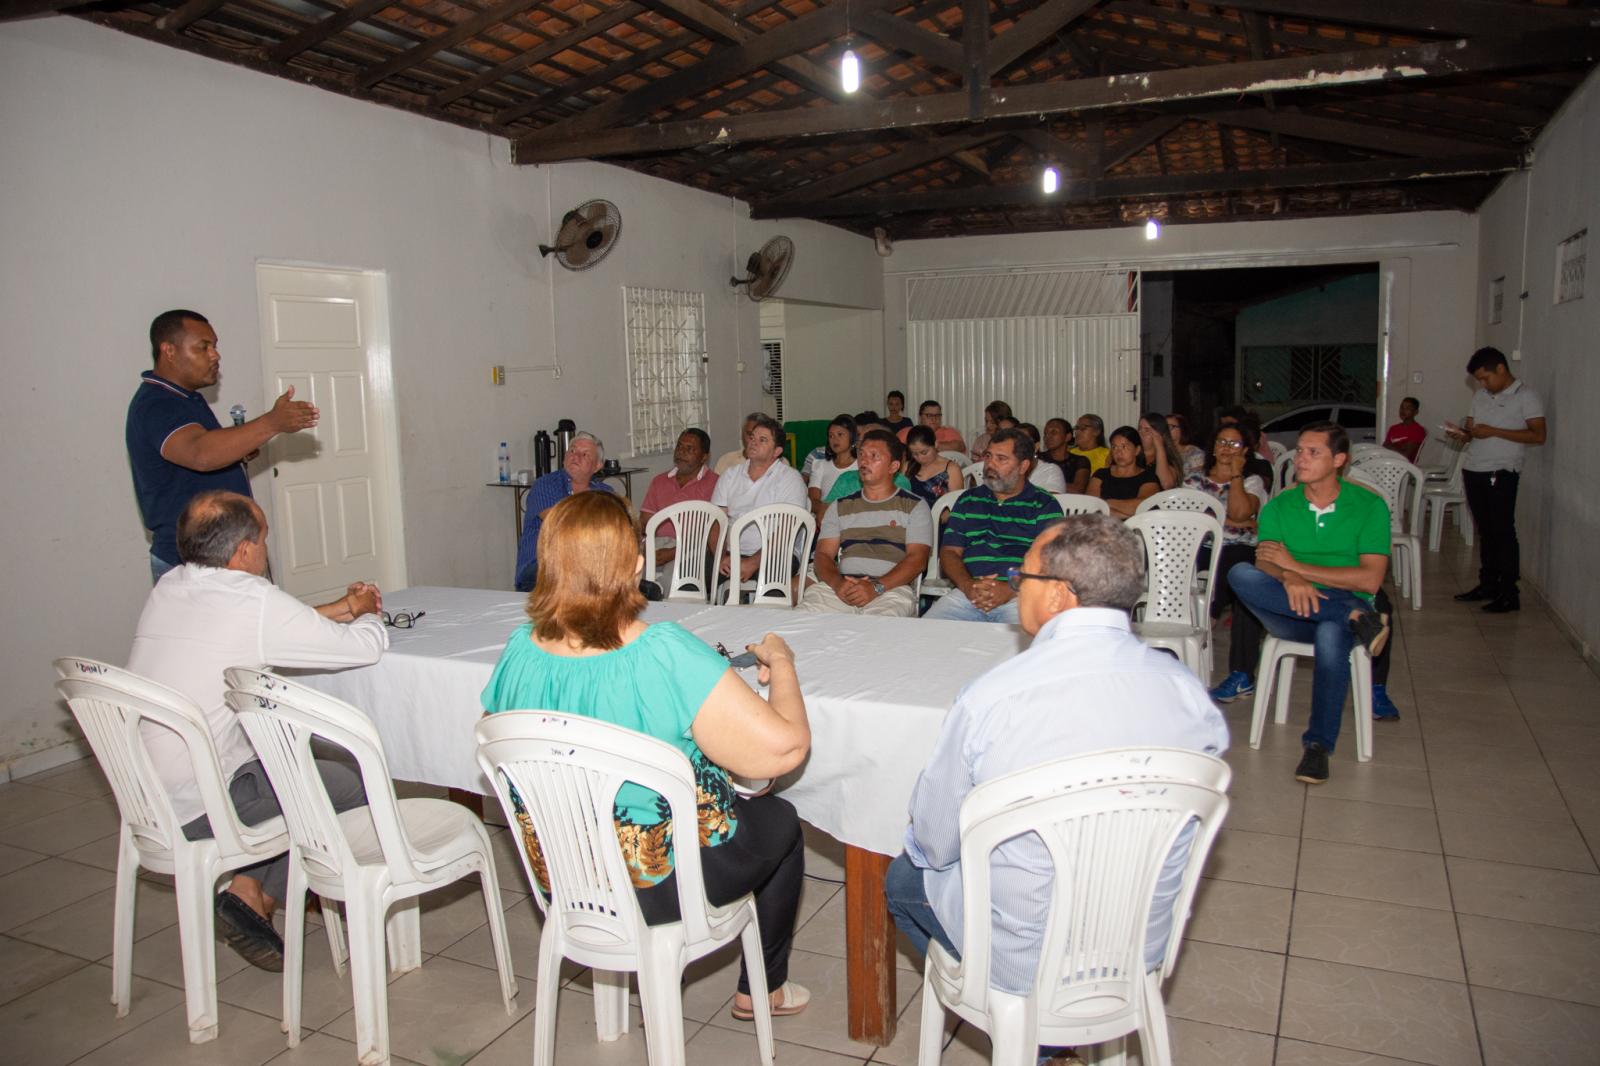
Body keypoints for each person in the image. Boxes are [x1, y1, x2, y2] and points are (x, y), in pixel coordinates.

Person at [481, 492, 812, 1021]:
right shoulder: (662, 652)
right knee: (781, 819)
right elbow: (785, 749)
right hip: (655, 882)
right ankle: (763, 989)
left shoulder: (519, 649)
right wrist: (783, 664)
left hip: (567, 874)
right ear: (636, 565)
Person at [887, 515, 1228, 1004]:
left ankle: (1024, 1027)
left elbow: (934, 844)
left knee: (903, 878)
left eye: (1020, 578)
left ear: (1056, 594)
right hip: (1136, 944)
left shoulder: (995, 697)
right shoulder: (1188, 693)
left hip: (1025, 955)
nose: (1016, 587)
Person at [127, 490, 385, 970]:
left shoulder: (171, 586)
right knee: (346, 784)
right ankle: (337, 902)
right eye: (264, 538)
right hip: (204, 802)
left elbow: (259, 627)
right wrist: (370, 612)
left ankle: (249, 891)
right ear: (244, 551)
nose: (268, 549)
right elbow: (362, 650)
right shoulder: (252, 599)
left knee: (283, 771)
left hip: (144, 795)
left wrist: (338, 608)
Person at [1228, 422, 1392, 784]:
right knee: (1240, 573)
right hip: (1290, 607)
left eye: (1312, 452)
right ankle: (1357, 619)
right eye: (1300, 450)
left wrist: (1296, 565)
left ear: (1339, 460)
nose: (1300, 458)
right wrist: (1291, 577)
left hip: (1346, 597)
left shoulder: (1369, 507)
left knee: (1332, 635)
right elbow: (1265, 563)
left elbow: (1370, 579)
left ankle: (1317, 747)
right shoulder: (1281, 506)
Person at [127, 310, 319, 582]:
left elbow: (204, 450)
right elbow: (200, 453)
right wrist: (271, 423)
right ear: (169, 351)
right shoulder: (158, 404)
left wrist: (238, 448)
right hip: (192, 565)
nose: (215, 355)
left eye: (215, 346)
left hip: (223, 557)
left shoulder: (186, 398)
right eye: (203, 347)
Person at [925, 428, 1063, 623]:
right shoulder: (968, 500)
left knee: (1024, 647)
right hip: (968, 594)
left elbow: (1052, 564)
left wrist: (1009, 589)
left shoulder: (1044, 504)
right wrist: (967, 585)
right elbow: (949, 553)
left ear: (1023, 466)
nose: (990, 464)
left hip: (1020, 596)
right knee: (925, 636)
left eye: (1001, 459)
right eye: (988, 456)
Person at [1448, 347, 1545, 613]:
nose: (1482, 384)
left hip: (1501, 471)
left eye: (1485, 377)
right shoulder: (1480, 396)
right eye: (1479, 380)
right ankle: (1487, 584)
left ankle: (1509, 592)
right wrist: (1463, 434)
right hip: (1474, 468)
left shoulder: (1526, 396)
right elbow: (1473, 430)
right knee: (1485, 531)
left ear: (1501, 369)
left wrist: (1494, 432)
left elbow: (1538, 436)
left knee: (1502, 530)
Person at [802, 430, 932, 617]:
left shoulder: (915, 506)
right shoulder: (840, 506)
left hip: (890, 590)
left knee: (879, 633)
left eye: (874, 456)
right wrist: (838, 584)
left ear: (893, 466)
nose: (864, 461)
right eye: (862, 454)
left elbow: (917, 560)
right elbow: (823, 555)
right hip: (843, 587)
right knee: (804, 621)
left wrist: (876, 587)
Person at [1185, 426, 1269, 704]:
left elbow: (1240, 511)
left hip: (1237, 548)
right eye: (1222, 441)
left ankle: (1242, 674)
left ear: (1245, 451)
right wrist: (1235, 522)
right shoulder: (1194, 481)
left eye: (1235, 444)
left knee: (1242, 575)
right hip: (1200, 545)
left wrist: (1236, 475)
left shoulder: (1252, 482)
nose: (1226, 448)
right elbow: (1191, 519)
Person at [711, 413, 808, 585]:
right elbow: (716, 522)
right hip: (731, 553)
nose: (753, 442)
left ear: (776, 451)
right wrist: (721, 556)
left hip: (776, 553)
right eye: (752, 437)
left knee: (770, 582)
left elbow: (786, 531)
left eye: (762, 440)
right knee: (689, 572)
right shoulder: (730, 475)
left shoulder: (790, 479)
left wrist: (753, 562)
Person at [514, 432, 612, 591]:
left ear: (597, 466)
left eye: (585, 454)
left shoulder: (606, 493)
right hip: (541, 567)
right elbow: (561, 524)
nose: (576, 456)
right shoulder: (545, 485)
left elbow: (620, 528)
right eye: (572, 451)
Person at [639, 428, 718, 568]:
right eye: (679, 446)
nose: (681, 452)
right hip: (656, 544)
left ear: (704, 457)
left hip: (693, 550)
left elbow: (714, 534)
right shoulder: (659, 481)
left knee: (674, 576)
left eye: (690, 449)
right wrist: (646, 548)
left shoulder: (716, 484)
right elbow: (645, 523)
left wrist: (674, 552)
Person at [1088, 426, 1160, 518]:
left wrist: (1105, 503)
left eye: (1124, 447)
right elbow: (1090, 506)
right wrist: (1128, 514)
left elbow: (1143, 506)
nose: (1118, 452)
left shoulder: (1148, 477)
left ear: (1137, 450)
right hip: (1102, 527)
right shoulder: (1101, 474)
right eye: (1114, 447)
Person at [807, 414, 858, 524]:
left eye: (840, 434)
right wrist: (833, 512)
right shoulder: (820, 465)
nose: (835, 439)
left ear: (852, 437)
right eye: (831, 436)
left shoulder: (862, 466)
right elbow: (812, 501)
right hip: (823, 521)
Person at [905, 425, 965, 508]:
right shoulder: (908, 466)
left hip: (938, 518)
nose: (920, 458)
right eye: (915, 454)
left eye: (924, 452)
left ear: (936, 444)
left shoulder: (951, 469)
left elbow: (955, 505)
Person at [1039, 418, 1091, 494]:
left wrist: (1046, 483)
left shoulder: (1080, 461)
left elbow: (1077, 489)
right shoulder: (1039, 459)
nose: (1048, 436)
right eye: (1045, 433)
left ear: (1068, 437)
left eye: (1053, 432)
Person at [897, 400, 967, 454]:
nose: (934, 419)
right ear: (920, 417)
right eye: (929, 415)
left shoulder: (949, 431)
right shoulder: (907, 432)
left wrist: (929, 445)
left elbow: (961, 447)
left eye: (937, 415)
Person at [1137, 412, 1185, 490]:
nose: (1141, 433)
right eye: (1139, 429)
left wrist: (1159, 445)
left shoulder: (1170, 459)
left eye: (1147, 430)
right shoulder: (1133, 455)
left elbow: (1165, 484)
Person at [1017, 423, 1066, 492]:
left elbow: (1051, 500)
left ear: (1036, 446)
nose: (1017, 446)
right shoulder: (1003, 469)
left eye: (1023, 442)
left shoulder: (1050, 471)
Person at [1382, 396, 1427, 464]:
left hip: (1406, 465)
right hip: (1389, 462)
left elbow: (1406, 455)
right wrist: (1400, 448)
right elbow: (1384, 447)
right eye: (1401, 407)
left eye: (1408, 408)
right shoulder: (1393, 428)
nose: (1403, 411)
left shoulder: (1418, 430)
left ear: (1416, 412)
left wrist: (1391, 447)